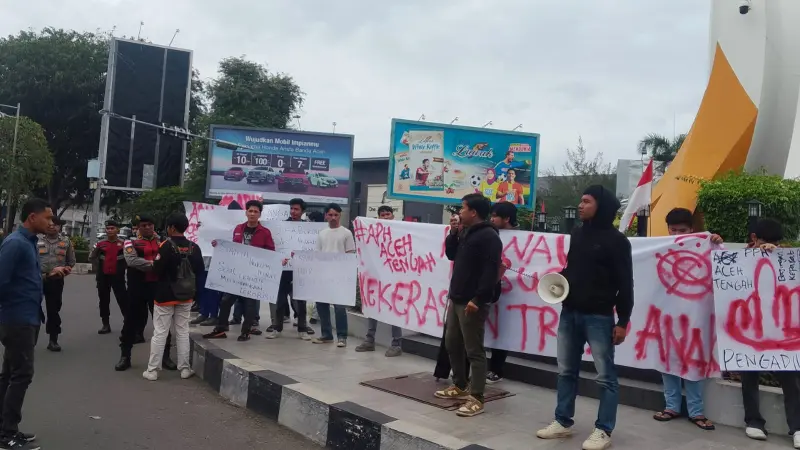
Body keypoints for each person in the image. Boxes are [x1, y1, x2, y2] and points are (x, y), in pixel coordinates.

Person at [536, 185, 633, 450]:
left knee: (605, 376)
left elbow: (626, 284)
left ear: (600, 206)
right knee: (566, 370)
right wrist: (558, 282)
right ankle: (563, 422)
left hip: (599, 318)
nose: (580, 205)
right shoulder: (577, 234)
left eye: (586, 201)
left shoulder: (617, 241)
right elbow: (573, 269)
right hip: (569, 313)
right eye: (580, 201)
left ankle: (603, 430)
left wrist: (623, 321)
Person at [652, 208, 721, 430]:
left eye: (682, 230)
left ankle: (696, 411)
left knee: (694, 362)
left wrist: (718, 244)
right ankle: (671, 406)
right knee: (667, 361)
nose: (677, 234)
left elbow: (727, 264)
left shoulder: (707, 245)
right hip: (666, 316)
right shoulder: (659, 246)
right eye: (673, 230)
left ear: (692, 229)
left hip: (696, 317)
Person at [434, 193, 502, 418]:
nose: (459, 213)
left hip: (473, 302)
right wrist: (453, 233)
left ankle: (477, 397)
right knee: (453, 342)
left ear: (474, 212)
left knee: (474, 349)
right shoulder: (465, 232)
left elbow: (490, 272)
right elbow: (452, 254)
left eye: (463, 208)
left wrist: (478, 299)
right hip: (457, 298)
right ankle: (460, 384)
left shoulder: (489, 237)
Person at [739, 218, 800, 448]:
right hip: (748, 330)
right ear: (754, 239)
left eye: (776, 242)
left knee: (791, 377)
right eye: (767, 241)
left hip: (780, 330)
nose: (771, 246)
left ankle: (797, 426)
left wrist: (779, 253)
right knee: (749, 373)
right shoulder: (739, 259)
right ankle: (753, 421)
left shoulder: (786, 257)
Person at [0, 198, 54, 449]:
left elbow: (24, 278)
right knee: (21, 374)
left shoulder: (29, 242)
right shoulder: (15, 244)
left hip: (28, 317)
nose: (51, 223)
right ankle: (6, 434)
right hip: (17, 319)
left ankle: (5, 428)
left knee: (10, 374)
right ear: (32, 217)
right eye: (48, 218)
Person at [142, 213, 204, 381]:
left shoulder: (165, 246)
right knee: (182, 331)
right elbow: (200, 272)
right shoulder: (194, 247)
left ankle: (153, 370)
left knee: (160, 332)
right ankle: (184, 368)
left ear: (172, 228)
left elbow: (156, 270)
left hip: (165, 296)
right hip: (186, 296)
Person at [204, 200, 275, 341]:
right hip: (236, 273)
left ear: (260, 214)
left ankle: (246, 331)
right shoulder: (238, 228)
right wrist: (219, 246)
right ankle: (221, 329)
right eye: (250, 211)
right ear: (246, 212)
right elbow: (232, 248)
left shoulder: (265, 232)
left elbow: (271, 252)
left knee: (250, 304)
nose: (253, 214)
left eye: (256, 211)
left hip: (253, 274)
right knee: (225, 301)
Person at [116, 215, 177, 372]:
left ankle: (165, 357)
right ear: (138, 228)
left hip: (158, 287)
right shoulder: (130, 242)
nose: (147, 227)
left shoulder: (164, 242)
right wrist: (156, 265)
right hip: (137, 287)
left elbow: (171, 260)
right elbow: (132, 261)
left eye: (150, 224)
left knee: (162, 324)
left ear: (154, 226)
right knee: (130, 322)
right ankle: (125, 356)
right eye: (143, 225)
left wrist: (159, 265)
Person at [355, 205, 403, 357]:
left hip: (394, 277)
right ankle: (370, 340)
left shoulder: (399, 231)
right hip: (376, 277)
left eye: (388, 214)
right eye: (382, 215)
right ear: (378, 217)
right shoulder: (373, 232)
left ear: (392, 216)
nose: (386, 217)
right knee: (373, 307)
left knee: (395, 309)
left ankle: (396, 344)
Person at [267, 198, 314, 340]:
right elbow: (275, 246)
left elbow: (311, 249)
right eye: (292, 209)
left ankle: (302, 329)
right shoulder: (281, 226)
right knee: (280, 300)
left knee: (300, 301)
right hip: (283, 269)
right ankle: (277, 328)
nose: (293, 211)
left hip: (300, 270)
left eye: (296, 209)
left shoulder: (309, 228)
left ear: (302, 211)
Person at [310, 203, 355, 347]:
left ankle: (342, 337)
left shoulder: (346, 233)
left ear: (340, 215)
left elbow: (350, 254)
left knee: (339, 308)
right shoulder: (322, 234)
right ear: (326, 216)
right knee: (321, 306)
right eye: (330, 215)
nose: (333, 217)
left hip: (340, 276)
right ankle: (326, 334)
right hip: (323, 275)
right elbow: (317, 254)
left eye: (336, 215)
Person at [485, 202, 518, 383]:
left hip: (513, 295)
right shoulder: (489, 234)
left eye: (495, 216)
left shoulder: (521, 237)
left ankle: (497, 368)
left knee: (502, 330)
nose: (492, 219)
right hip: (491, 289)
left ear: (506, 219)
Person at [37, 218, 75, 352]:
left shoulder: (66, 242)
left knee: (53, 311)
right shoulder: (36, 240)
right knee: (33, 308)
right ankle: (30, 339)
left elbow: (71, 261)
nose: (52, 227)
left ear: (60, 227)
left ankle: (53, 340)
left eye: (56, 225)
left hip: (55, 280)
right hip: (37, 279)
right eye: (50, 224)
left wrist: (65, 270)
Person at [89, 220, 129, 334]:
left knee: (123, 300)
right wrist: (98, 269)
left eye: (113, 228)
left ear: (117, 230)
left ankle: (128, 322)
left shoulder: (123, 244)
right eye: (108, 228)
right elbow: (92, 257)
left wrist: (123, 268)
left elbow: (130, 259)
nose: (110, 230)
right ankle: (105, 324)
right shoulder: (100, 244)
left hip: (118, 276)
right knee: (104, 300)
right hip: (103, 276)